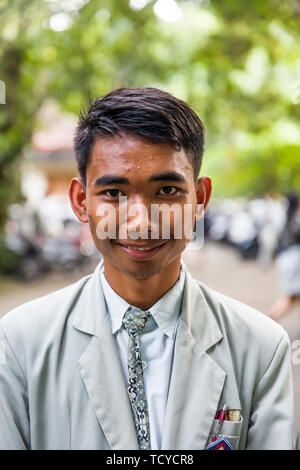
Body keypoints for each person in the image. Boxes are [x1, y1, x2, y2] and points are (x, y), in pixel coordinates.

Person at [0, 88, 295, 450]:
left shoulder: (260, 347)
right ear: (81, 201)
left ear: (199, 199)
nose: (141, 221)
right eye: (113, 193)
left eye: (167, 190)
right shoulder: (19, 343)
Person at [270, 192, 300, 320]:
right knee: (289, 296)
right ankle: (269, 322)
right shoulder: (297, 218)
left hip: (284, 257)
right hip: (295, 259)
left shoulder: (282, 216)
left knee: (294, 296)